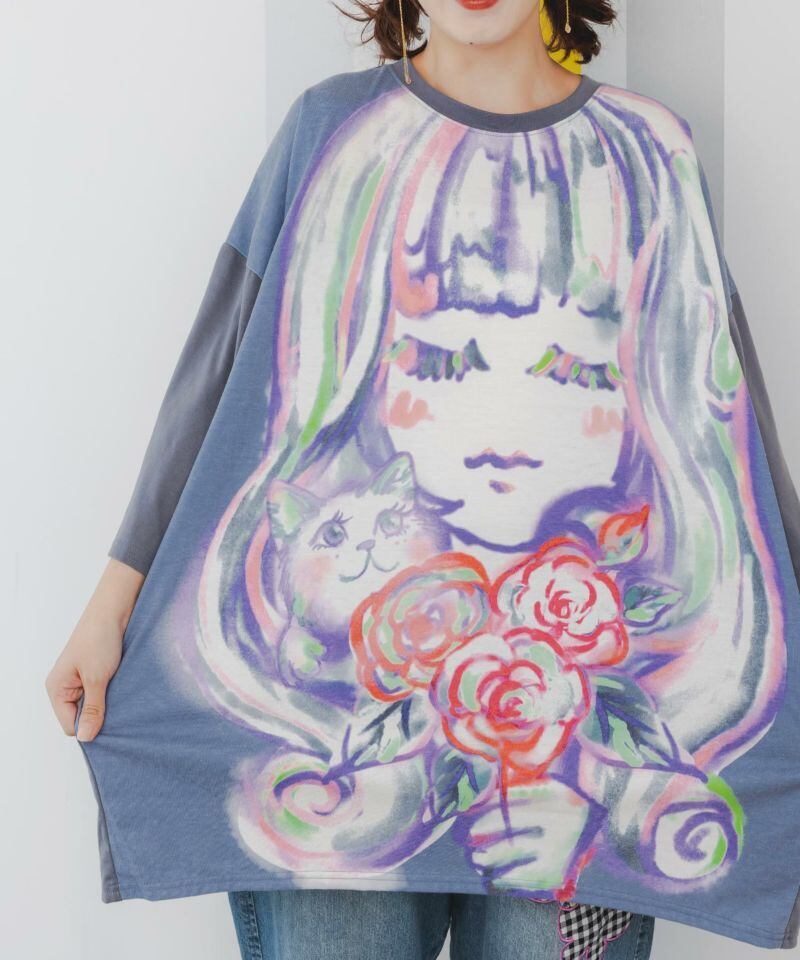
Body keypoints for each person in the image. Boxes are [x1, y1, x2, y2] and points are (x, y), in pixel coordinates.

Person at [45, 1, 800, 958]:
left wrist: (620, 799)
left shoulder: (652, 152)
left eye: (569, 366)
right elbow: (221, 371)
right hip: (329, 755)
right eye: (440, 359)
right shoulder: (329, 130)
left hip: (575, 779)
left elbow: (729, 437)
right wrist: (114, 601)